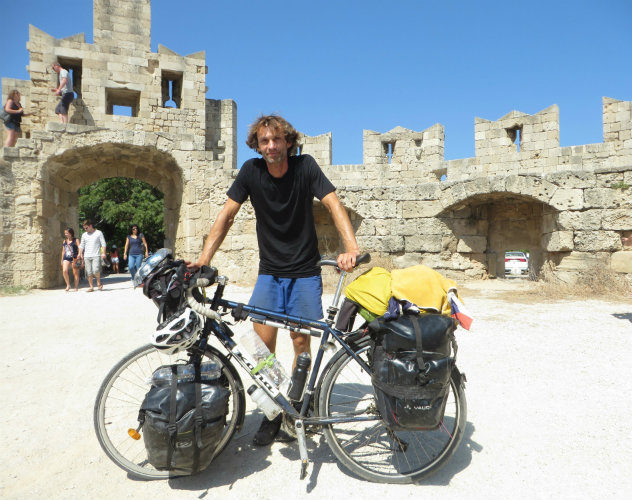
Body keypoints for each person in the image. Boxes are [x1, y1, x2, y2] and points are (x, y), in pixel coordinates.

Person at [189, 114, 360, 446]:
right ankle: (273, 411)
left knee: (300, 343)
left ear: (288, 142)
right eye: (264, 141)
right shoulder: (251, 173)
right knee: (261, 347)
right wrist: (204, 260)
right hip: (270, 272)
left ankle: (296, 409)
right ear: (258, 145)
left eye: (276, 139)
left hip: (305, 273)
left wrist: (351, 247)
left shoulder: (305, 167)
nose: (270, 146)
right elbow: (226, 214)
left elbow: (333, 204)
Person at [78, 219, 106, 292]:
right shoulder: (84, 235)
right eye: (84, 228)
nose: (85, 229)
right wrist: (79, 253)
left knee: (95, 270)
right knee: (89, 272)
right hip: (87, 256)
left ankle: (98, 282)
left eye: (86, 228)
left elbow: (103, 243)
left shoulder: (98, 233)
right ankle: (91, 287)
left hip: (96, 255)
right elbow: (82, 245)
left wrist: (103, 253)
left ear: (90, 226)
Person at [61, 227, 80, 292]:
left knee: (75, 273)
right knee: (64, 271)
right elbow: (63, 251)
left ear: (71, 233)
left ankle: (76, 287)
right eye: (65, 233)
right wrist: (62, 259)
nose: (66, 234)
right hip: (66, 257)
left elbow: (79, 248)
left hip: (75, 258)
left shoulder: (76, 240)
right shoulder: (65, 241)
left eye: (67, 233)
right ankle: (68, 284)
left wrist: (79, 255)